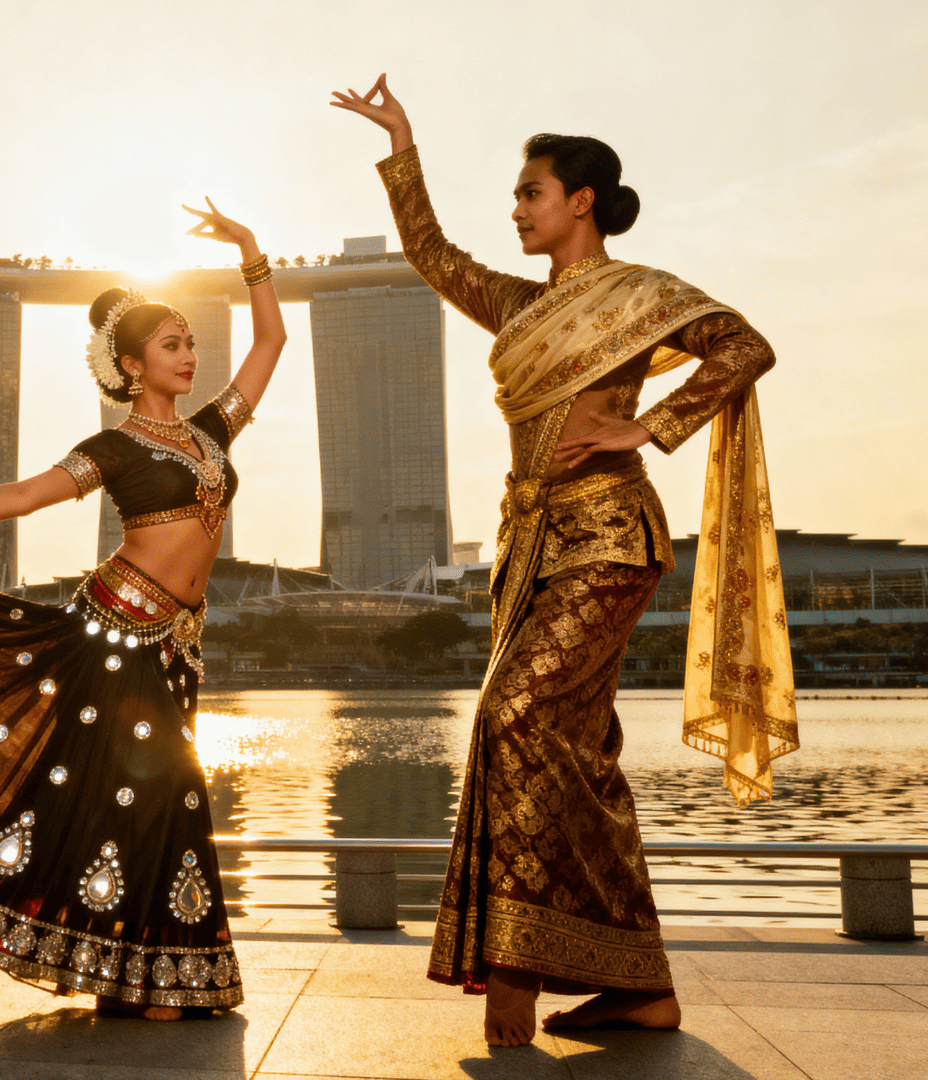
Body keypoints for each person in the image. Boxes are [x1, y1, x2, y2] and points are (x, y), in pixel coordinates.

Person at [332, 75, 797, 1047]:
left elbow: (740, 345)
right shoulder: (511, 305)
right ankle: (634, 982)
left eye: (528, 192)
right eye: (513, 195)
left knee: (511, 717)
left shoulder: (638, 297)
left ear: (578, 200)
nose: (514, 209)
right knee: (573, 758)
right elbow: (428, 253)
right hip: (530, 551)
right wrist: (399, 144)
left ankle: (518, 981)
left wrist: (648, 425)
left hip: (608, 541)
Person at [0, 200, 285, 1021]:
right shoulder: (114, 448)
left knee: (97, 798)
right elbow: (28, 494)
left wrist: (250, 253)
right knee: (140, 789)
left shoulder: (213, 434)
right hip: (108, 632)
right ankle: (90, 958)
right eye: (171, 345)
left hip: (175, 645)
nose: (189, 355)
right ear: (133, 366)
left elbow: (270, 344)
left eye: (190, 342)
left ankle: (78, 957)